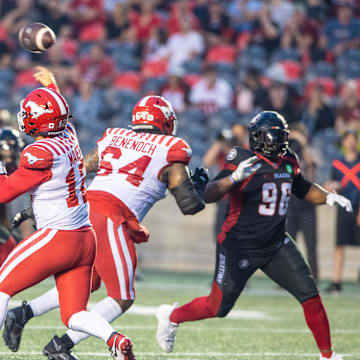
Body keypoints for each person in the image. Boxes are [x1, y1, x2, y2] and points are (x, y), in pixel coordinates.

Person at [4, 72, 209, 360]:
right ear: (166, 122)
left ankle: (27, 315)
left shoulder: (115, 136)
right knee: (122, 296)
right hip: (107, 218)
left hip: (85, 209)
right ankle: (61, 346)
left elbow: (80, 167)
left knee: (90, 285)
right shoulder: (170, 150)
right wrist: (200, 185)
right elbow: (189, 204)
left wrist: (36, 206)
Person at [156, 111, 352, 360]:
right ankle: (171, 316)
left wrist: (329, 197)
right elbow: (209, 193)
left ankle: (328, 356)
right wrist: (234, 178)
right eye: (275, 136)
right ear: (260, 137)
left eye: (282, 136)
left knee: (310, 295)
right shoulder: (241, 158)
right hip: (239, 245)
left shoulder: (288, 159)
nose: (279, 142)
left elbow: (301, 188)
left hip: (276, 245)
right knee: (217, 307)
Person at [0, 67, 136, 360]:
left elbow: (3, 192)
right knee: (73, 313)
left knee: (1, 287)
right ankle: (115, 339)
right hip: (85, 239)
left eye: (29, 113)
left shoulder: (40, 153)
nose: (25, 117)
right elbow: (57, 114)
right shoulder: (69, 134)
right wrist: (52, 85)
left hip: (57, 237)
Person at [324, 130, 360, 294]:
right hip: (343, 208)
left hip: (358, 206)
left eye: (354, 140)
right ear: (344, 142)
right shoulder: (337, 163)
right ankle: (336, 281)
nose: (351, 143)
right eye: (348, 139)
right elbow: (332, 184)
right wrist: (331, 187)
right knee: (339, 244)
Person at [286, 123, 318, 280]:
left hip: (307, 204)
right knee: (289, 244)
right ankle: (289, 278)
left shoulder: (309, 149)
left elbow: (311, 163)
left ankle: (314, 278)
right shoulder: (287, 152)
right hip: (290, 203)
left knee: (311, 245)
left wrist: (303, 142)